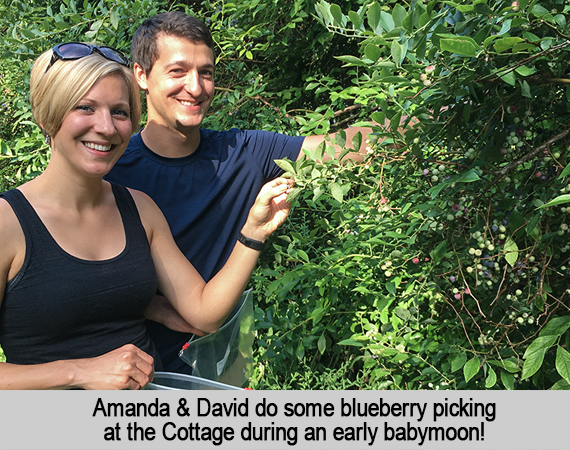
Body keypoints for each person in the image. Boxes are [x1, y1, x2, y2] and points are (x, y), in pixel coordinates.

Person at [0, 42, 291, 389]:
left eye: (120, 112)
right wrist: (79, 372)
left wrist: (254, 232)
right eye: (85, 108)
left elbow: (204, 313)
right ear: (48, 116)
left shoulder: (139, 209)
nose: (107, 127)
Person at [105, 11, 378, 373]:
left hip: (218, 370)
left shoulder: (244, 153)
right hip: (128, 372)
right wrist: (147, 305)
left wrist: (430, 109)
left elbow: (339, 147)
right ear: (141, 75)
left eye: (206, 72)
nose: (197, 87)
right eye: (178, 71)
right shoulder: (111, 168)